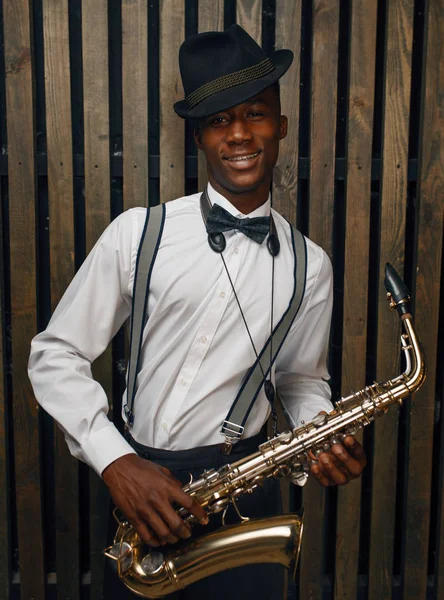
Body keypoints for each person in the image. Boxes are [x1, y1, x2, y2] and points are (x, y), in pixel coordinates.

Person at [28, 24, 366, 599]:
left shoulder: (312, 266)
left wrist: (319, 437)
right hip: (141, 486)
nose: (239, 134)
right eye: (218, 120)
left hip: (246, 494)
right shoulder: (140, 232)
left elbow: (302, 381)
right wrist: (116, 463)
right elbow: (55, 354)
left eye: (256, 114)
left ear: (281, 126)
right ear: (198, 138)